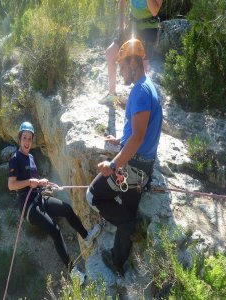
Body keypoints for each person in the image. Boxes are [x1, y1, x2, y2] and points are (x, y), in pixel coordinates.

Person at [87, 39, 163, 275]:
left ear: (133, 62)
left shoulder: (140, 92)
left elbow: (139, 137)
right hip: (143, 168)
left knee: (93, 195)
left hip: (132, 169)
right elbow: (140, 131)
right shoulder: (148, 86)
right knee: (127, 210)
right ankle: (118, 261)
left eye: (121, 66)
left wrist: (113, 164)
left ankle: (131, 227)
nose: (119, 72)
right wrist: (120, 141)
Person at [8, 121, 101, 283]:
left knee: (66, 209)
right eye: (24, 138)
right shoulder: (15, 159)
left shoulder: (30, 157)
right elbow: (11, 185)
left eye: (30, 138)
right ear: (20, 138)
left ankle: (86, 236)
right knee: (55, 230)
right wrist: (30, 182)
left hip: (39, 198)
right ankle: (73, 273)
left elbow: (33, 181)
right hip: (28, 207)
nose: (27, 141)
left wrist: (42, 182)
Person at [102, 0, 163, 104]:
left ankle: (142, 101)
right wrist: (121, 28)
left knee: (142, 66)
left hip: (148, 29)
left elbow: (154, 11)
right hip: (132, 26)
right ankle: (112, 94)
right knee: (111, 53)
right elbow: (122, 2)